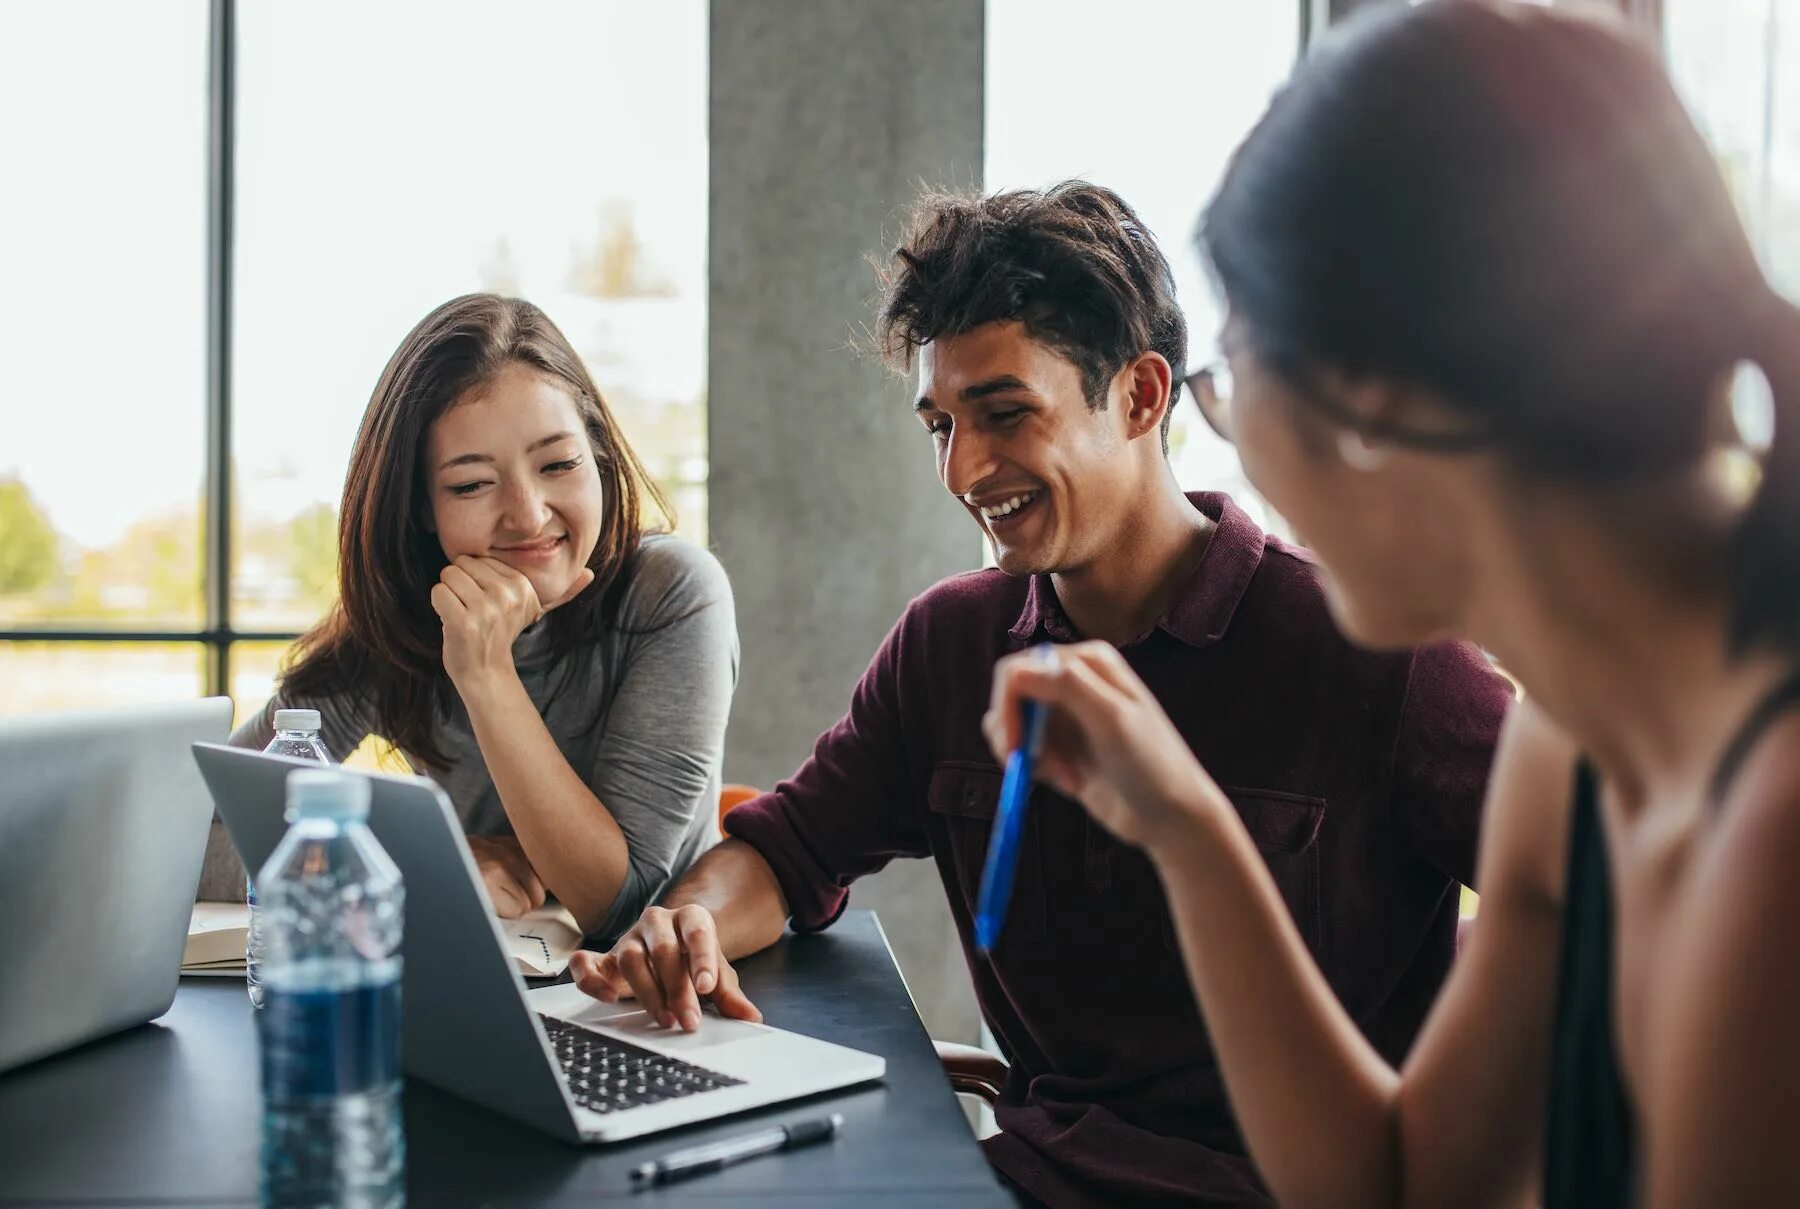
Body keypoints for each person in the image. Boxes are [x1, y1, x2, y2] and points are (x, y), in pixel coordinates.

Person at [985, 4, 1800, 1206]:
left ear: (1372, 403)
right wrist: (1188, 833)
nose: (1239, 453)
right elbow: (1404, 1184)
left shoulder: (1772, 825)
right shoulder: (1571, 748)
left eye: (1230, 380)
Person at [571, 182, 1512, 1207]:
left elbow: (1608, 912)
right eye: (940, 425)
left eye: (1006, 414)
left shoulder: (1380, 658)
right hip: (1021, 1181)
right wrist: (690, 923)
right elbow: (787, 851)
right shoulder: (951, 645)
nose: (965, 468)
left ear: (1143, 397)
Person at [211, 294, 737, 939]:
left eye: (559, 464)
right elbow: (193, 839)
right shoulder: (400, 624)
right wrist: (430, 857)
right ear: (421, 509)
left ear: (597, 459)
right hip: (478, 977)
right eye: (470, 484)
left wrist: (485, 671)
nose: (527, 513)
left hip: (659, 1000)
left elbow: (618, 904)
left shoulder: (671, 593)